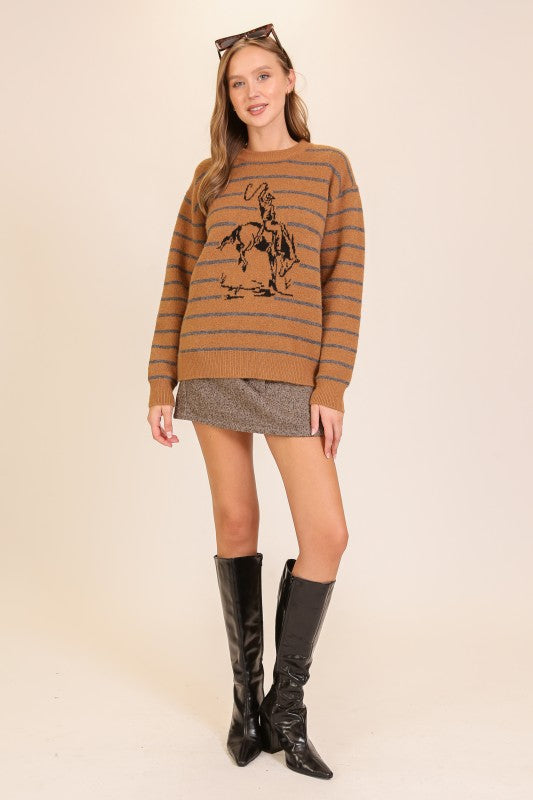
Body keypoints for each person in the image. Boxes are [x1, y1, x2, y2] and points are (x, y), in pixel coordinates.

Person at [146, 23, 365, 780]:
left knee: (326, 534)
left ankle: (286, 706)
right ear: (228, 96)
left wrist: (330, 385)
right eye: (238, 83)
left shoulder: (328, 168)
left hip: (289, 373)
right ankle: (247, 705)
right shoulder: (210, 177)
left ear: (289, 79)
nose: (252, 93)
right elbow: (179, 277)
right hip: (209, 362)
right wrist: (160, 380)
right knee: (236, 521)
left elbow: (343, 281)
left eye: (263, 76)